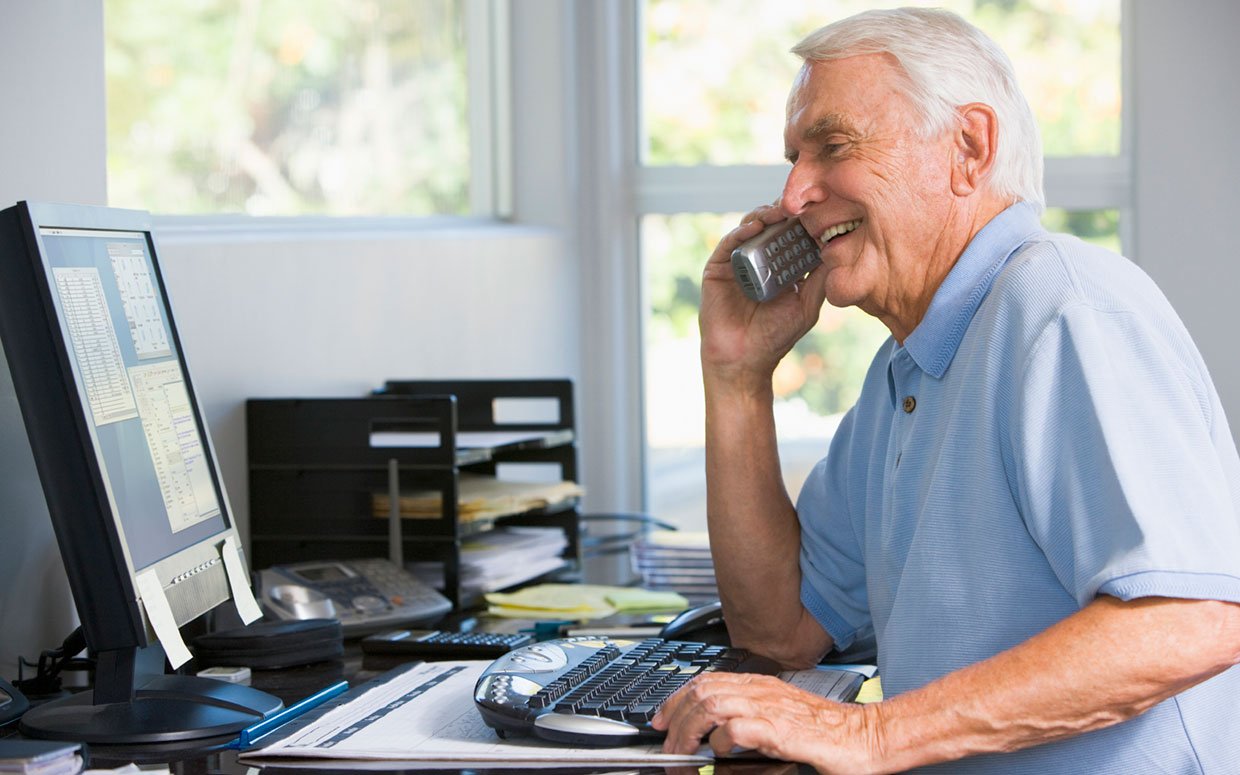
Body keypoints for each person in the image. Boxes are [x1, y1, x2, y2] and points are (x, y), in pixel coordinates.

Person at [650, 7, 1240, 773]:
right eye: (793, 157)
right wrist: (735, 377)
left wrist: (870, 732)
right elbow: (780, 632)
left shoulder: (1065, 308)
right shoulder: (908, 367)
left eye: (833, 146)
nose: (795, 193)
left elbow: (1196, 617)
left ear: (969, 147)